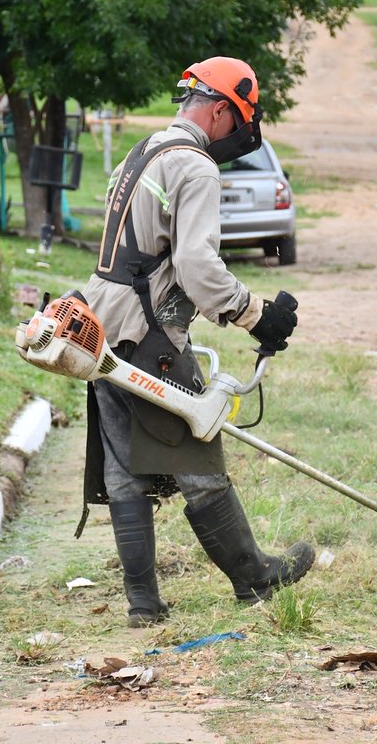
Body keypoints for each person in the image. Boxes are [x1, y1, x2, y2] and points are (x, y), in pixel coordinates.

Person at [79, 56, 314, 628]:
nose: (237, 136)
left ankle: (143, 603)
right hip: (147, 331)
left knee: (124, 468)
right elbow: (195, 265)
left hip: (98, 322)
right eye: (237, 122)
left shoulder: (146, 151)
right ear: (218, 110)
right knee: (198, 451)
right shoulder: (197, 167)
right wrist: (255, 314)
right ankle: (254, 578)